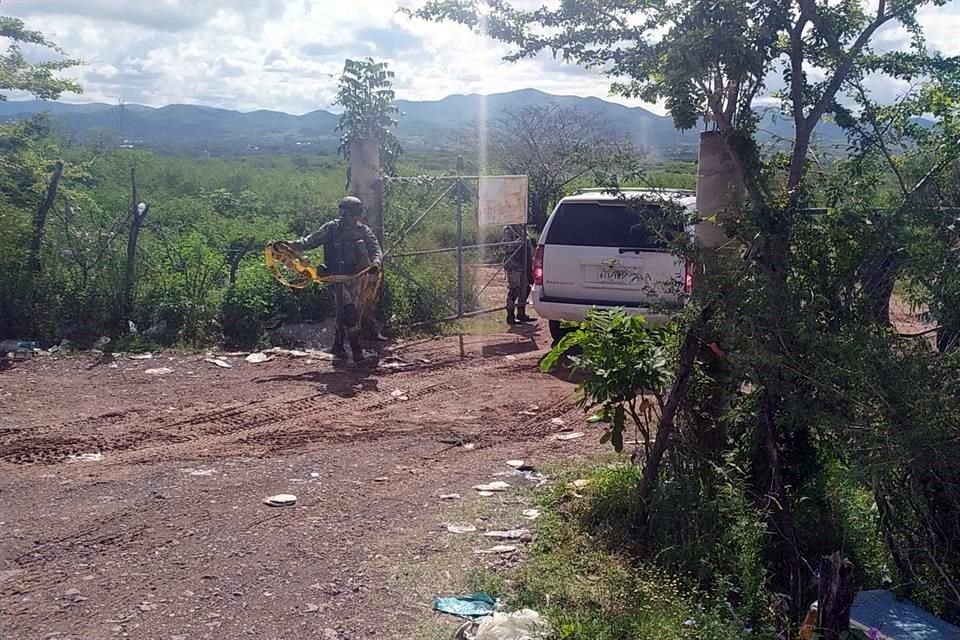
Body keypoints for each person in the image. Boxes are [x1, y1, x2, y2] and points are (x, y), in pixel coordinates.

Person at [288, 196, 383, 364]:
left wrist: (375, 262)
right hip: (334, 277)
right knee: (349, 312)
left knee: (345, 314)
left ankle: (338, 346)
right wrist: (286, 246)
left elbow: (375, 249)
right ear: (343, 214)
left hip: (355, 278)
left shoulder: (363, 230)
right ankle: (356, 351)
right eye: (350, 215)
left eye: (356, 215)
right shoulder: (331, 229)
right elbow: (308, 242)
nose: (354, 218)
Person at [501, 224, 535, 325]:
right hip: (513, 264)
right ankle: (510, 316)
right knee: (514, 290)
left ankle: (521, 313)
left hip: (523, 264)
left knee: (525, 288)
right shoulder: (508, 229)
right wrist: (520, 243)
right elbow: (506, 246)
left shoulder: (522, 227)